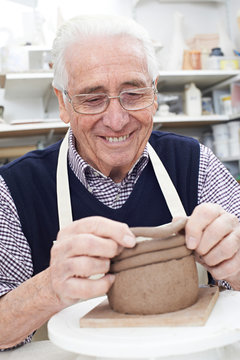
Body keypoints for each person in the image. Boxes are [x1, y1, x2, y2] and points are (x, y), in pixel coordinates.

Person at [0, 14, 240, 350]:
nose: (116, 120)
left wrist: (237, 264)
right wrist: (49, 289)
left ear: (154, 93)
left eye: (133, 93)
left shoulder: (194, 163)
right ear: (63, 102)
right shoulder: (15, 189)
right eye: (92, 98)